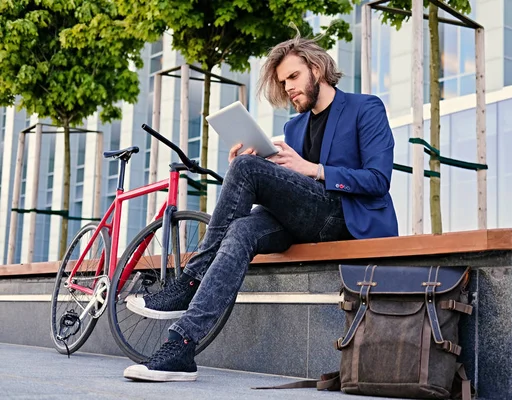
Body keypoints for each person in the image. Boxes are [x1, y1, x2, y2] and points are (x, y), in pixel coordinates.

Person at [123, 35, 398, 382]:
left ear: (317, 68)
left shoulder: (365, 108)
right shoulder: (293, 127)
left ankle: (190, 280)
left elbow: (377, 179)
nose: (289, 88)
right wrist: (254, 163)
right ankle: (181, 345)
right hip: (303, 220)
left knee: (247, 172)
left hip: (345, 217)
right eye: (284, 82)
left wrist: (314, 169)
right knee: (242, 226)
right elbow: (288, 187)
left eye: (294, 77)